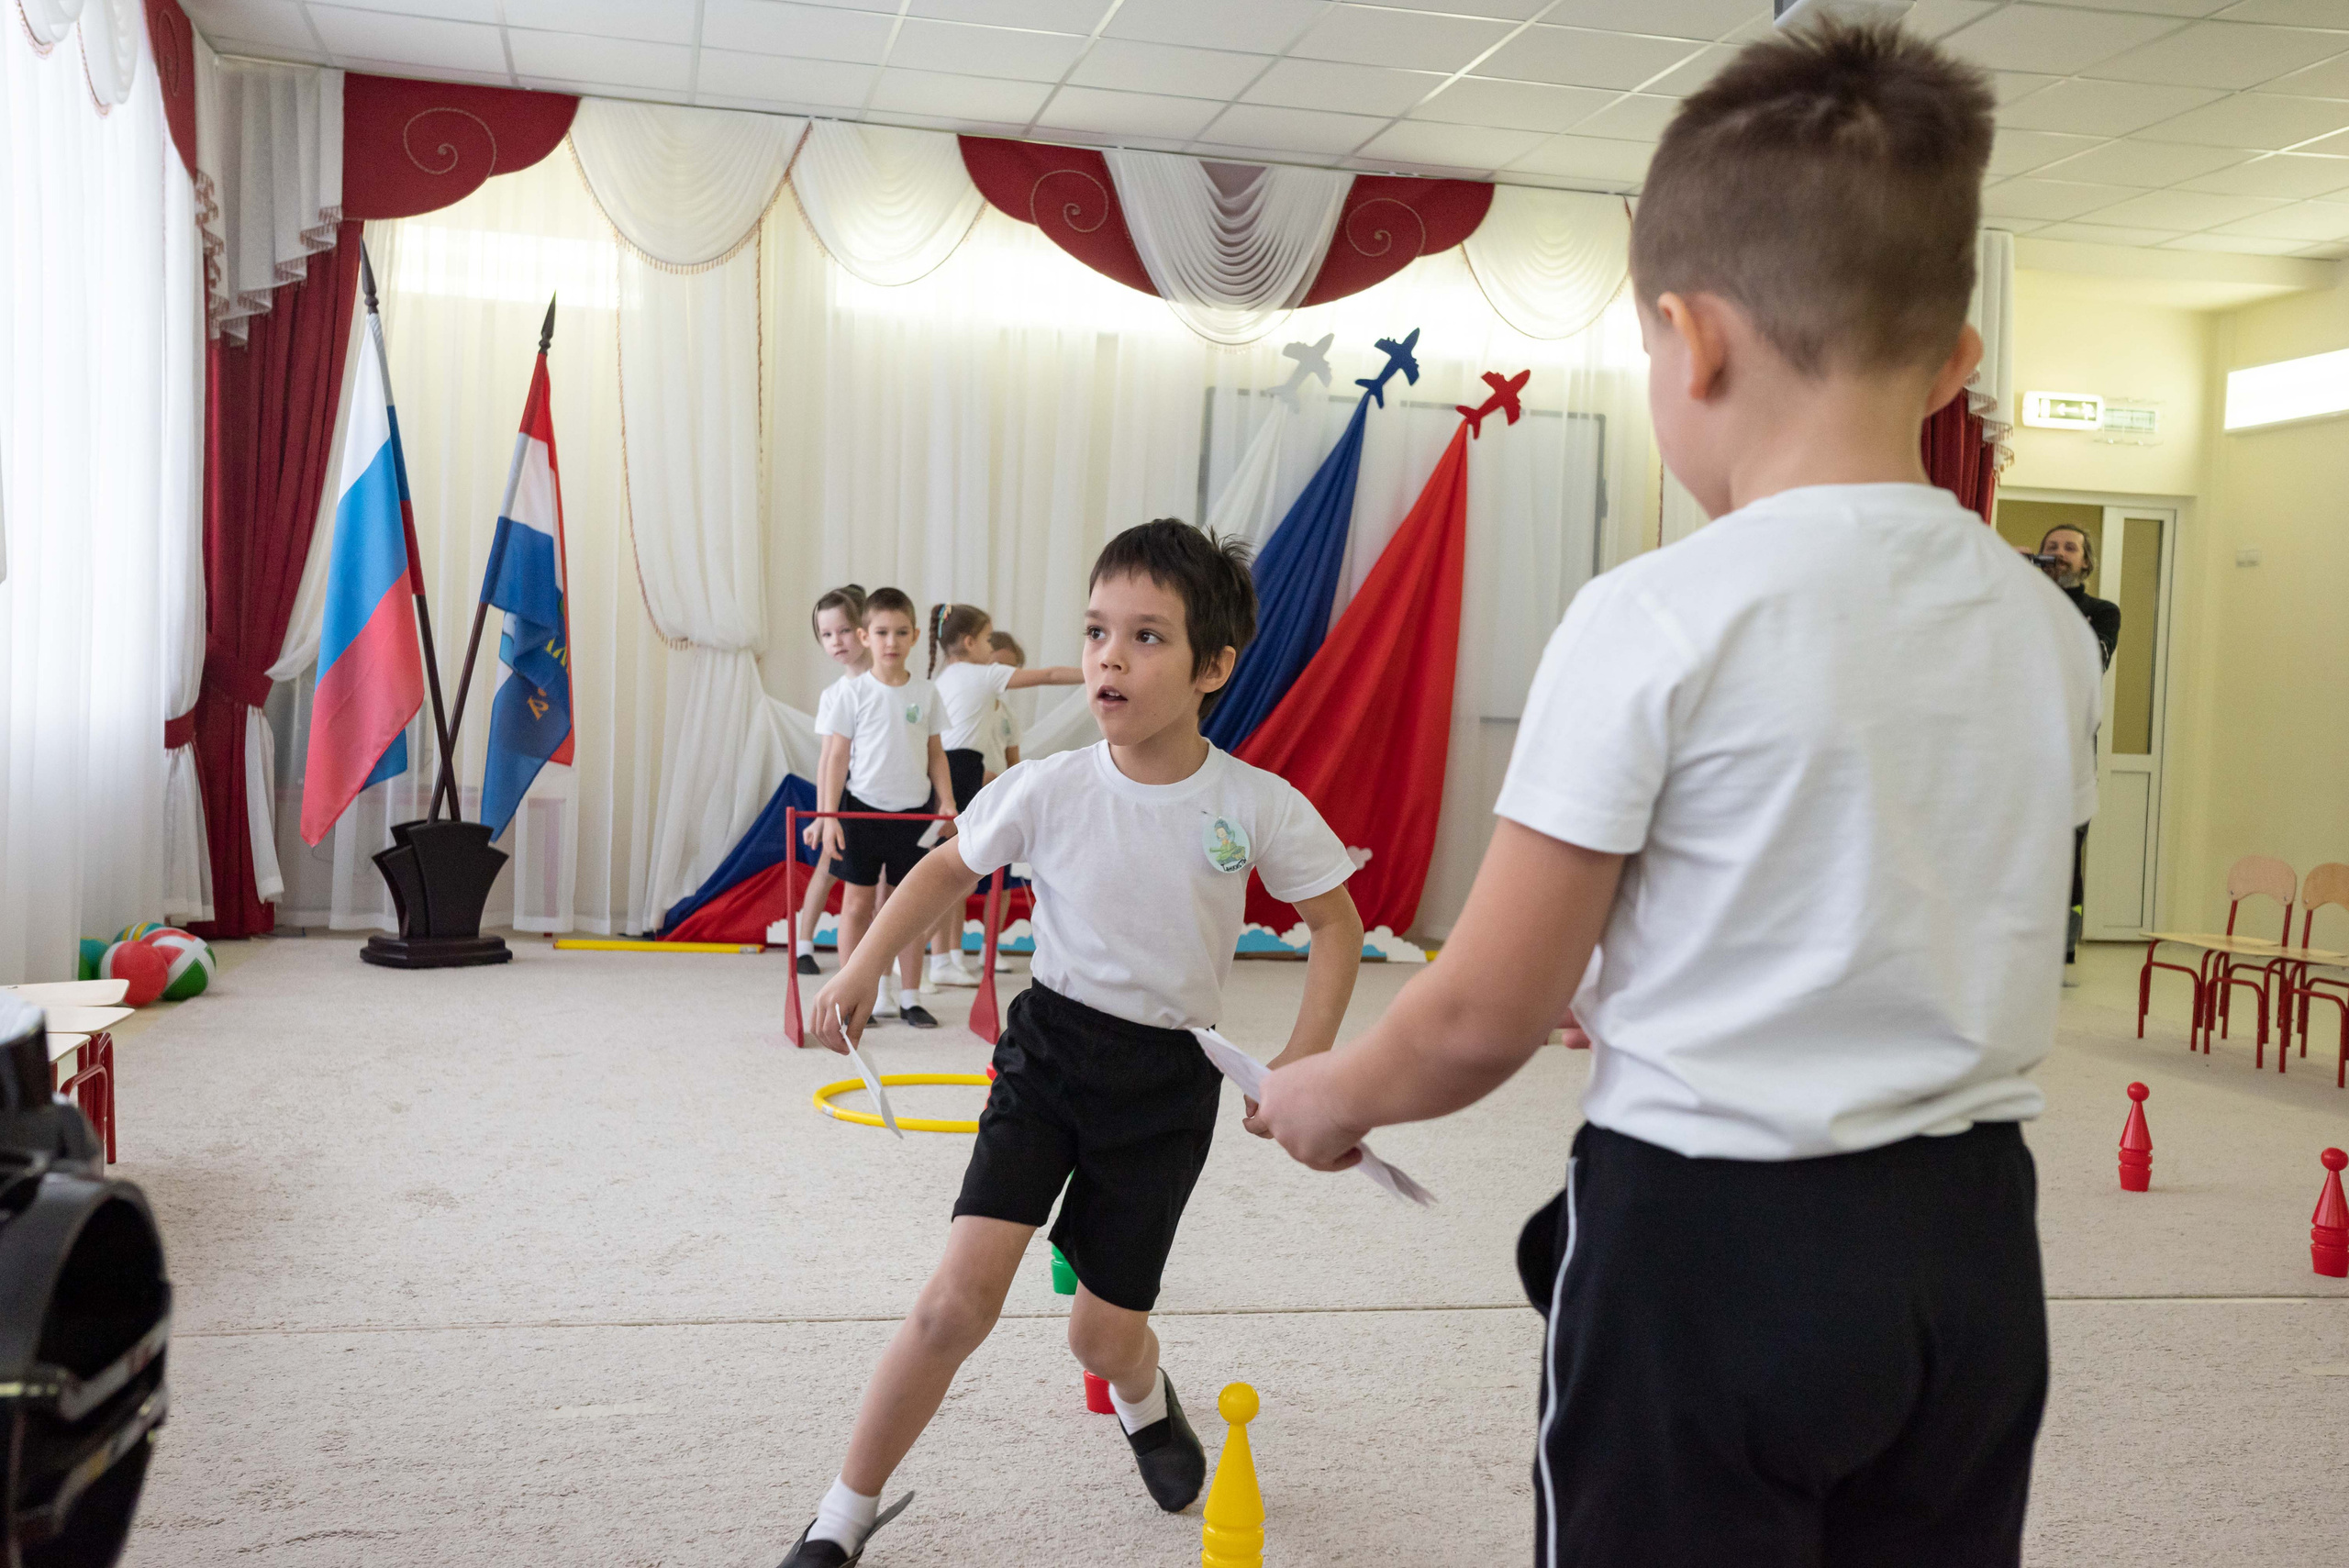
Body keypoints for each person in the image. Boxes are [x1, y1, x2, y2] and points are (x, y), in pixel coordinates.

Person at [1254, 20, 2101, 1568]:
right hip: (1972, 1246)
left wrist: (1334, 1089)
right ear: (1957, 363)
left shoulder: (1655, 613)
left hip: (1711, 1243)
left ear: (1690, 340)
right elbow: (1893, 877)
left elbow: (1475, 1014)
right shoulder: (2048, 627)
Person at [778, 520, 1364, 1568]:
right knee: (955, 1302)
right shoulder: (1047, 785)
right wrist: (856, 967)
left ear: (1213, 666)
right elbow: (943, 871)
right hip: (1047, 1054)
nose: (1107, 656)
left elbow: (1336, 923)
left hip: (1166, 1082)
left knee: (1097, 1334)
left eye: (1146, 636)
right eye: (1097, 630)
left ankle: (1141, 1393)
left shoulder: (1251, 802)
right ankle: (840, 1514)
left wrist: (1301, 1061)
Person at [806, 588, 958, 1030]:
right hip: (861, 811)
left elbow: (936, 754)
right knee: (855, 907)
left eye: (901, 632)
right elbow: (835, 758)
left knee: (903, 909)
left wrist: (946, 801)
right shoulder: (852, 694)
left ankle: (909, 995)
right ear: (865, 636)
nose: (891, 641)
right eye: (881, 632)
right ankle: (853, 992)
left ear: (913, 638)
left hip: (912, 816)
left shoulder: (927, 693)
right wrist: (828, 815)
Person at [920, 605, 1078, 988]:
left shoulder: (943, 678)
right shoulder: (982, 675)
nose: (991, 649)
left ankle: (945, 957)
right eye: (989, 639)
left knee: (958, 875)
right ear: (971, 642)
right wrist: (1098, 670)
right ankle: (910, 956)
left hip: (953, 769)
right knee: (949, 875)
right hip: (959, 771)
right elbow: (1051, 675)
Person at [2033, 523, 2119, 980]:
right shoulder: (2020, 601)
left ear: (2086, 562)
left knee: (2066, 846)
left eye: (2070, 548)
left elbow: (2091, 665)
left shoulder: (2103, 612)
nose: (2060, 554)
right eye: (2051, 548)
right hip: (2017, 751)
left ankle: (2062, 947)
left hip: (2069, 755)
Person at [794, 585, 872, 978]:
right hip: (845, 794)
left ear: (863, 629)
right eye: (826, 635)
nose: (835, 642)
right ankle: (803, 942)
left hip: (885, 795)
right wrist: (827, 813)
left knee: (883, 880)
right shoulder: (835, 694)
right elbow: (829, 758)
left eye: (843, 630)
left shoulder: (889, 683)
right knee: (828, 863)